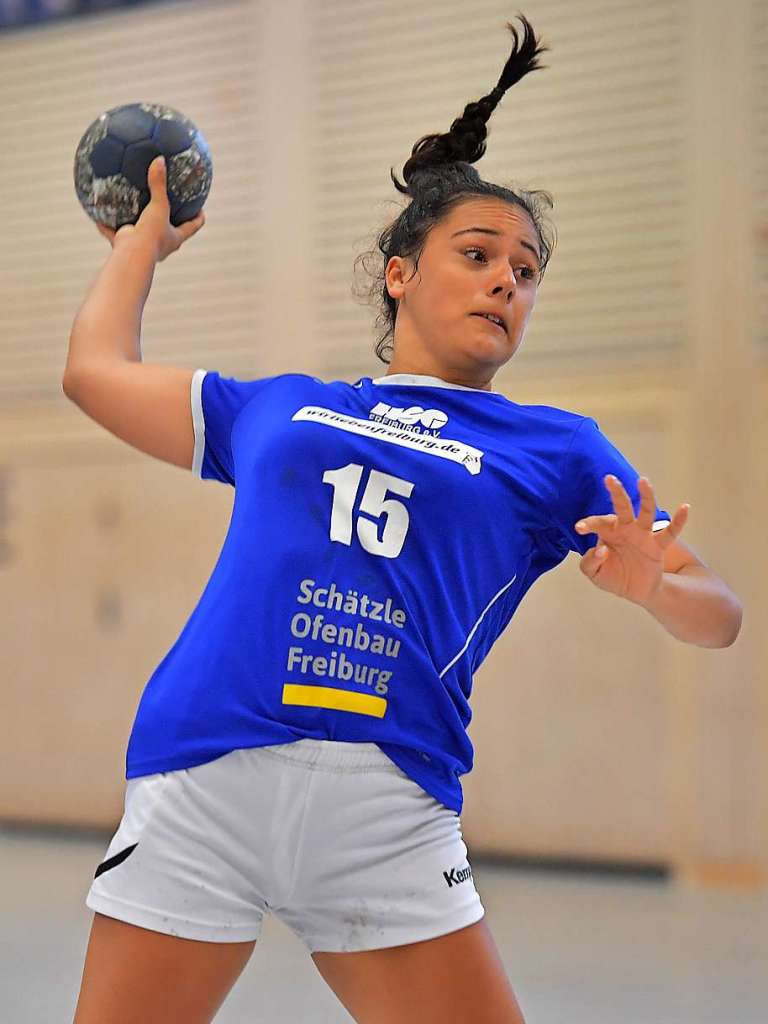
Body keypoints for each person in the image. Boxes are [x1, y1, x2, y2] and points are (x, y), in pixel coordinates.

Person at [63, 13, 742, 1024]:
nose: (505, 281)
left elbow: (719, 612)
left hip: (390, 804)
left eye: (525, 273)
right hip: (208, 771)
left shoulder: (557, 448)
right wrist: (138, 248)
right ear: (401, 273)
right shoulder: (285, 406)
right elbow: (94, 373)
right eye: (478, 254)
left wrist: (655, 586)